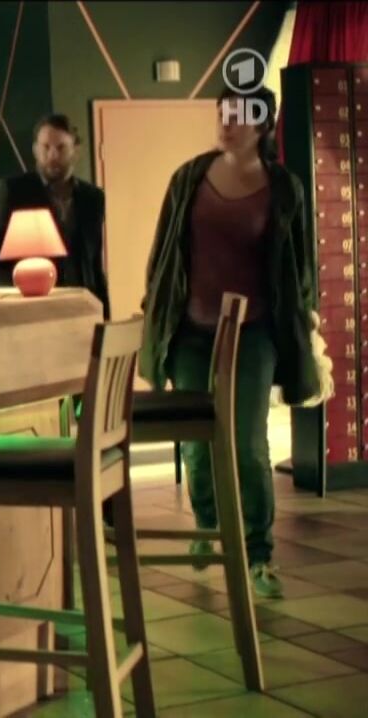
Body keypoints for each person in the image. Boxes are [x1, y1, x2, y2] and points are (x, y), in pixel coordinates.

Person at [138, 86, 327, 599]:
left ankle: (259, 554)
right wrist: (154, 310)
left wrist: (305, 318)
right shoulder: (189, 178)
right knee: (197, 444)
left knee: (247, 445)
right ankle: (208, 526)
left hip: (256, 330)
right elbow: (163, 254)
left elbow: (299, 263)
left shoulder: (283, 187)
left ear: (262, 125)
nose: (227, 122)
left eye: (239, 115)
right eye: (222, 113)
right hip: (192, 331)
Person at [0, 114, 110, 319]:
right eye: (46, 147)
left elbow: (94, 263)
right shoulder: (13, 191)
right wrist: (23, 294)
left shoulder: (93, 197)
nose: (52, 155)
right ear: (35, 150)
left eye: (61, 148)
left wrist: (105, 316)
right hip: (32, 311)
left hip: (84, 308)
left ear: (76, 150)